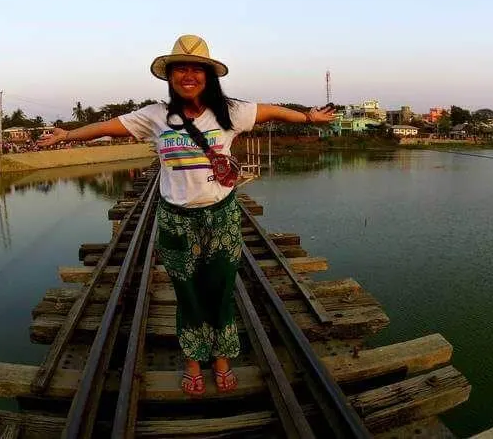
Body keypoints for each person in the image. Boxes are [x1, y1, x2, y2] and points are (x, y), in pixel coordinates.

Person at [38, 34, 334, 396]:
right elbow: (106, 126)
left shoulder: (229, 111)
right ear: (170, 76)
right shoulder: (155, 116)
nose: (188, 75)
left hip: (222, 217)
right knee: (188, 294)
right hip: (176, 220)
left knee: (221, 290)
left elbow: (270, 110)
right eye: (181, 69)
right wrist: (69, 134)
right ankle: (194, 360)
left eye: (197, 69)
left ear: (209, 76)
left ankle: (222, 358)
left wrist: (307, 117)